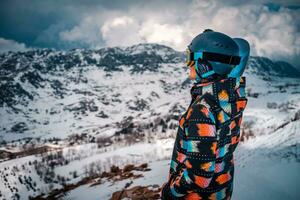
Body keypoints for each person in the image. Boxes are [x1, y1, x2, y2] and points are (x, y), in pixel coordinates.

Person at [160, 29, 250, 200]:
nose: (188, 64)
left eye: (190, 58)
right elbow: (243, 48)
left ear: (204, 64)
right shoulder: (232, 98)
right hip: (220, 190)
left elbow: (198, 177)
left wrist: (170, 192)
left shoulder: (202, 109)